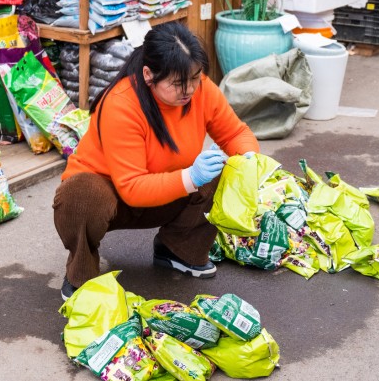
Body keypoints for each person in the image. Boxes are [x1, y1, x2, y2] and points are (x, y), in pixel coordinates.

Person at [53, 22, 259, 300]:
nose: (189, 90)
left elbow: (235, 133)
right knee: (79, 195)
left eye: (195, 78)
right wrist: (191, 178)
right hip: (113, 196)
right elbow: (132, 187)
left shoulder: (199, 87)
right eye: (177, 83)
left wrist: (249, 159)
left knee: (229, 169)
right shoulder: (121, 103)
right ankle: (81, 274)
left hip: (167, 192)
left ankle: (179, 249)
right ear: (149, 75)